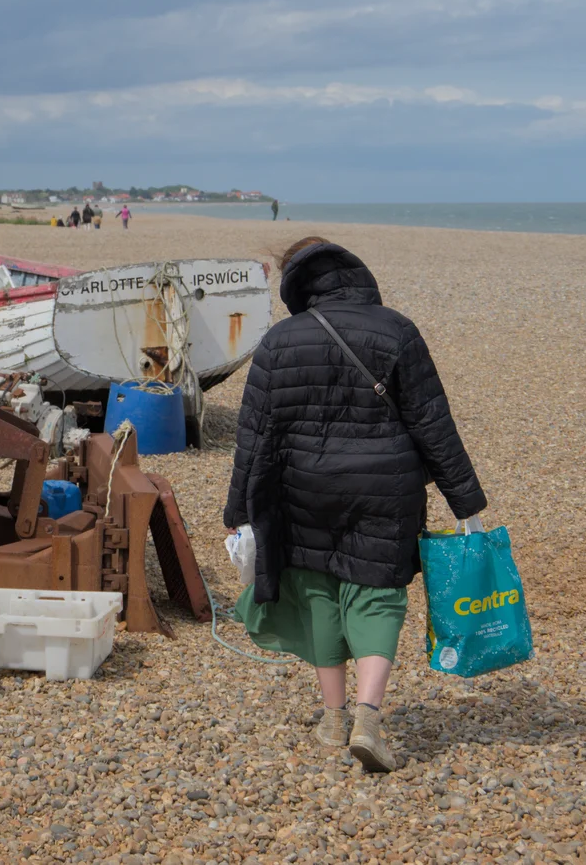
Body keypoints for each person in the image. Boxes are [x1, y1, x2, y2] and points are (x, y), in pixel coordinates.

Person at [224, 237, 487, 773]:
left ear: (295, 283)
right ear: (356, 275)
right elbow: (432, 422)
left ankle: (332, 717)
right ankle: (369, 716)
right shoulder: (396, 329)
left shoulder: (278, 341)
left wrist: (239, 512)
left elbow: (252, 436)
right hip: (386, 487)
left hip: (302, 488)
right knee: (378, 594)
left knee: (318, 591)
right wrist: (466, 502)